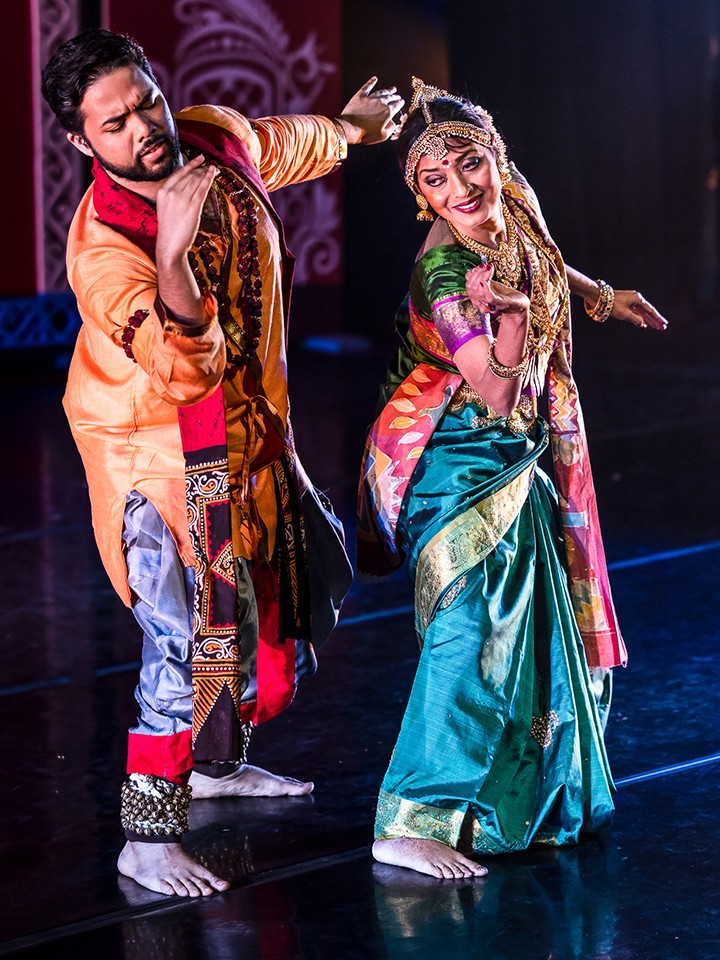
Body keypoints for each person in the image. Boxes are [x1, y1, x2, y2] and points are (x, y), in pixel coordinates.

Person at [41, 28, 404, 898]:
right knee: (185, 640)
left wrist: (351, 130)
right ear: (80, 142)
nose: (144, 129)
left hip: (246, 435)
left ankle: (214, 765)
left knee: (276, 605)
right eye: (115, 124)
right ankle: (146, 829)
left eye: (146, 103)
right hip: (155, 456)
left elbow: (279, 143)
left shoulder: (210, 136)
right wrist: (171, 248)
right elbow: (181, 369)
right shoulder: (103, 250)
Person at [358, 78, 667, 880]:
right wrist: (515, 312)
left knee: (533, 622)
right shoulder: (448, 273)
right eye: (436, 180)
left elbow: (545, 260)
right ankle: (409, 815)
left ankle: (520, 795)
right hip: (463, 456)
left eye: (470, 164)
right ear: (417, 195)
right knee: (477, 624)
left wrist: (599, 297)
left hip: (524, 446)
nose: (460, 188)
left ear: (497, 158)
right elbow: (496, 387)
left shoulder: (513, 202)